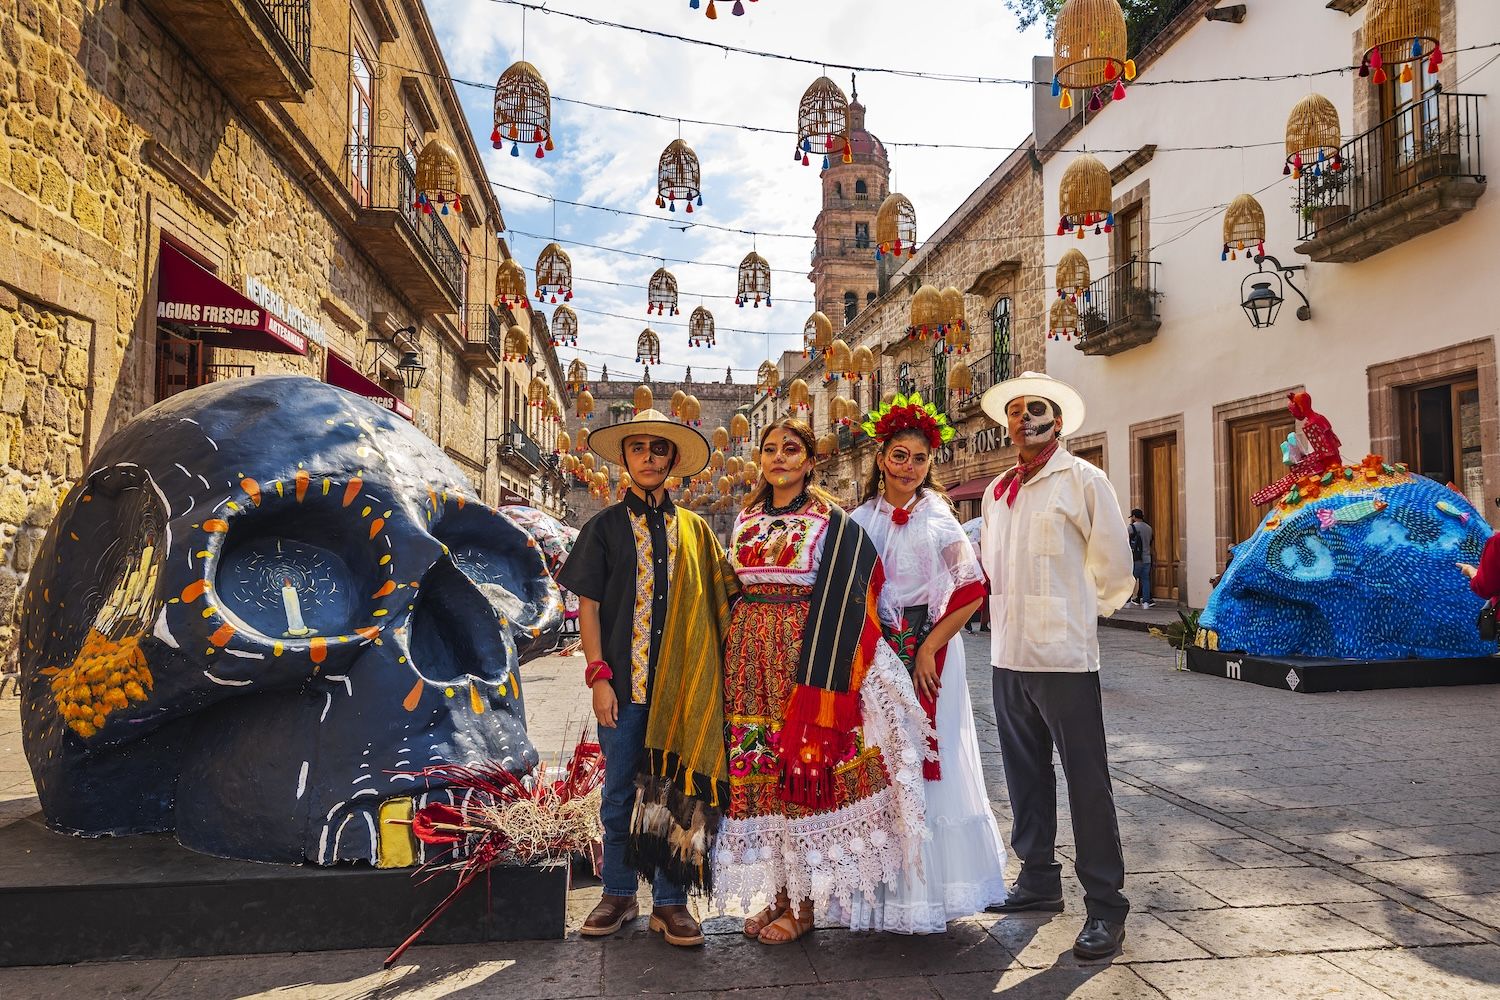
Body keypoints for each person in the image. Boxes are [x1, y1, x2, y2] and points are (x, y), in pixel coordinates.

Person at [713, 417, 930, 945]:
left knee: (803, 772)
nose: (779, 458)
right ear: (758, 459)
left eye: (791, 450)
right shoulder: (744, 518)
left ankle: (806, 905)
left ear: (810, 462)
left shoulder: (831, 521)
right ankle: (779, 895)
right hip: (750, 660)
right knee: (763, 775)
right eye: (770, 449)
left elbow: (864, 589)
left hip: (808, 659)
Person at [558, 409, 739, 948]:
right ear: (625, 458)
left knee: (676, 794)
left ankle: (670, 903)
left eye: (659, 449)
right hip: (625, 689)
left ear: (673, 460)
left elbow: (724, 601)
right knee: (618, 794)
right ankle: (617, 893)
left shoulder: (698, 532)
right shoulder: (605, 528)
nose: (649, 458)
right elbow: (587, 607)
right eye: (638, 448)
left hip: (683, 693)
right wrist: (598, 677)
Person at [832, 393, 1008, 933]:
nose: (910, 467)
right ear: (881, 458)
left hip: (932, 653)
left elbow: (973, 589)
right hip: (877, 655)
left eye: (920, 458)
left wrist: (930, 646)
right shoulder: (859, 520)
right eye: (900, 456)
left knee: (936, 761)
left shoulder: (940, 517)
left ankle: (935, 889)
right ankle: (884, 892)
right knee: (880, 761)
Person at [977, 371, 1135, 962]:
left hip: (1064, 657)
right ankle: (1038, 879)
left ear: (1058, 422)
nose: (1023, 420)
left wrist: (1076, 613)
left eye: (1035, 410)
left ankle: (1106, 907)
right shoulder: (997, 492)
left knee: (1086, 782)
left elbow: (1114, 570)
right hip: (1008, 653)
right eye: (1015, 412)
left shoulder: (1085, 482)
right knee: (1024, 775)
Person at [1126, 509, 1155, 608]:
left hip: (1136, 558)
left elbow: (1125, 539)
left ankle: (1127, 602)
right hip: (1147, 558)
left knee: (1131, 580)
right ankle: (1146, 602)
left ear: (1134, 516)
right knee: (1145, 580)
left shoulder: (1131, 527)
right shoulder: (1149, 528)